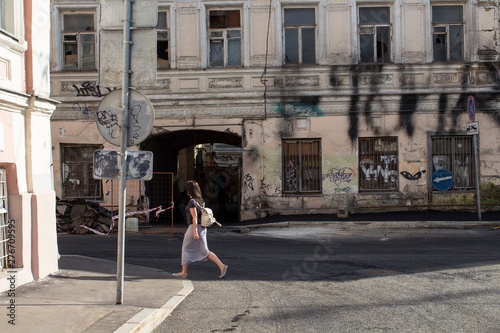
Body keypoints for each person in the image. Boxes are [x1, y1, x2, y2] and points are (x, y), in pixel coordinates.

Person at [172, 180, 228, 279]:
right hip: (202, 228)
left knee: (185, 249)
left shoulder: (192, 202)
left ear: (188, 190)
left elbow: (194, 217)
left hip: (194, 227)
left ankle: (183, 272)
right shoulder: (199, 201)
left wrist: (194, 232)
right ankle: (222, 266)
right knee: (204, 251)